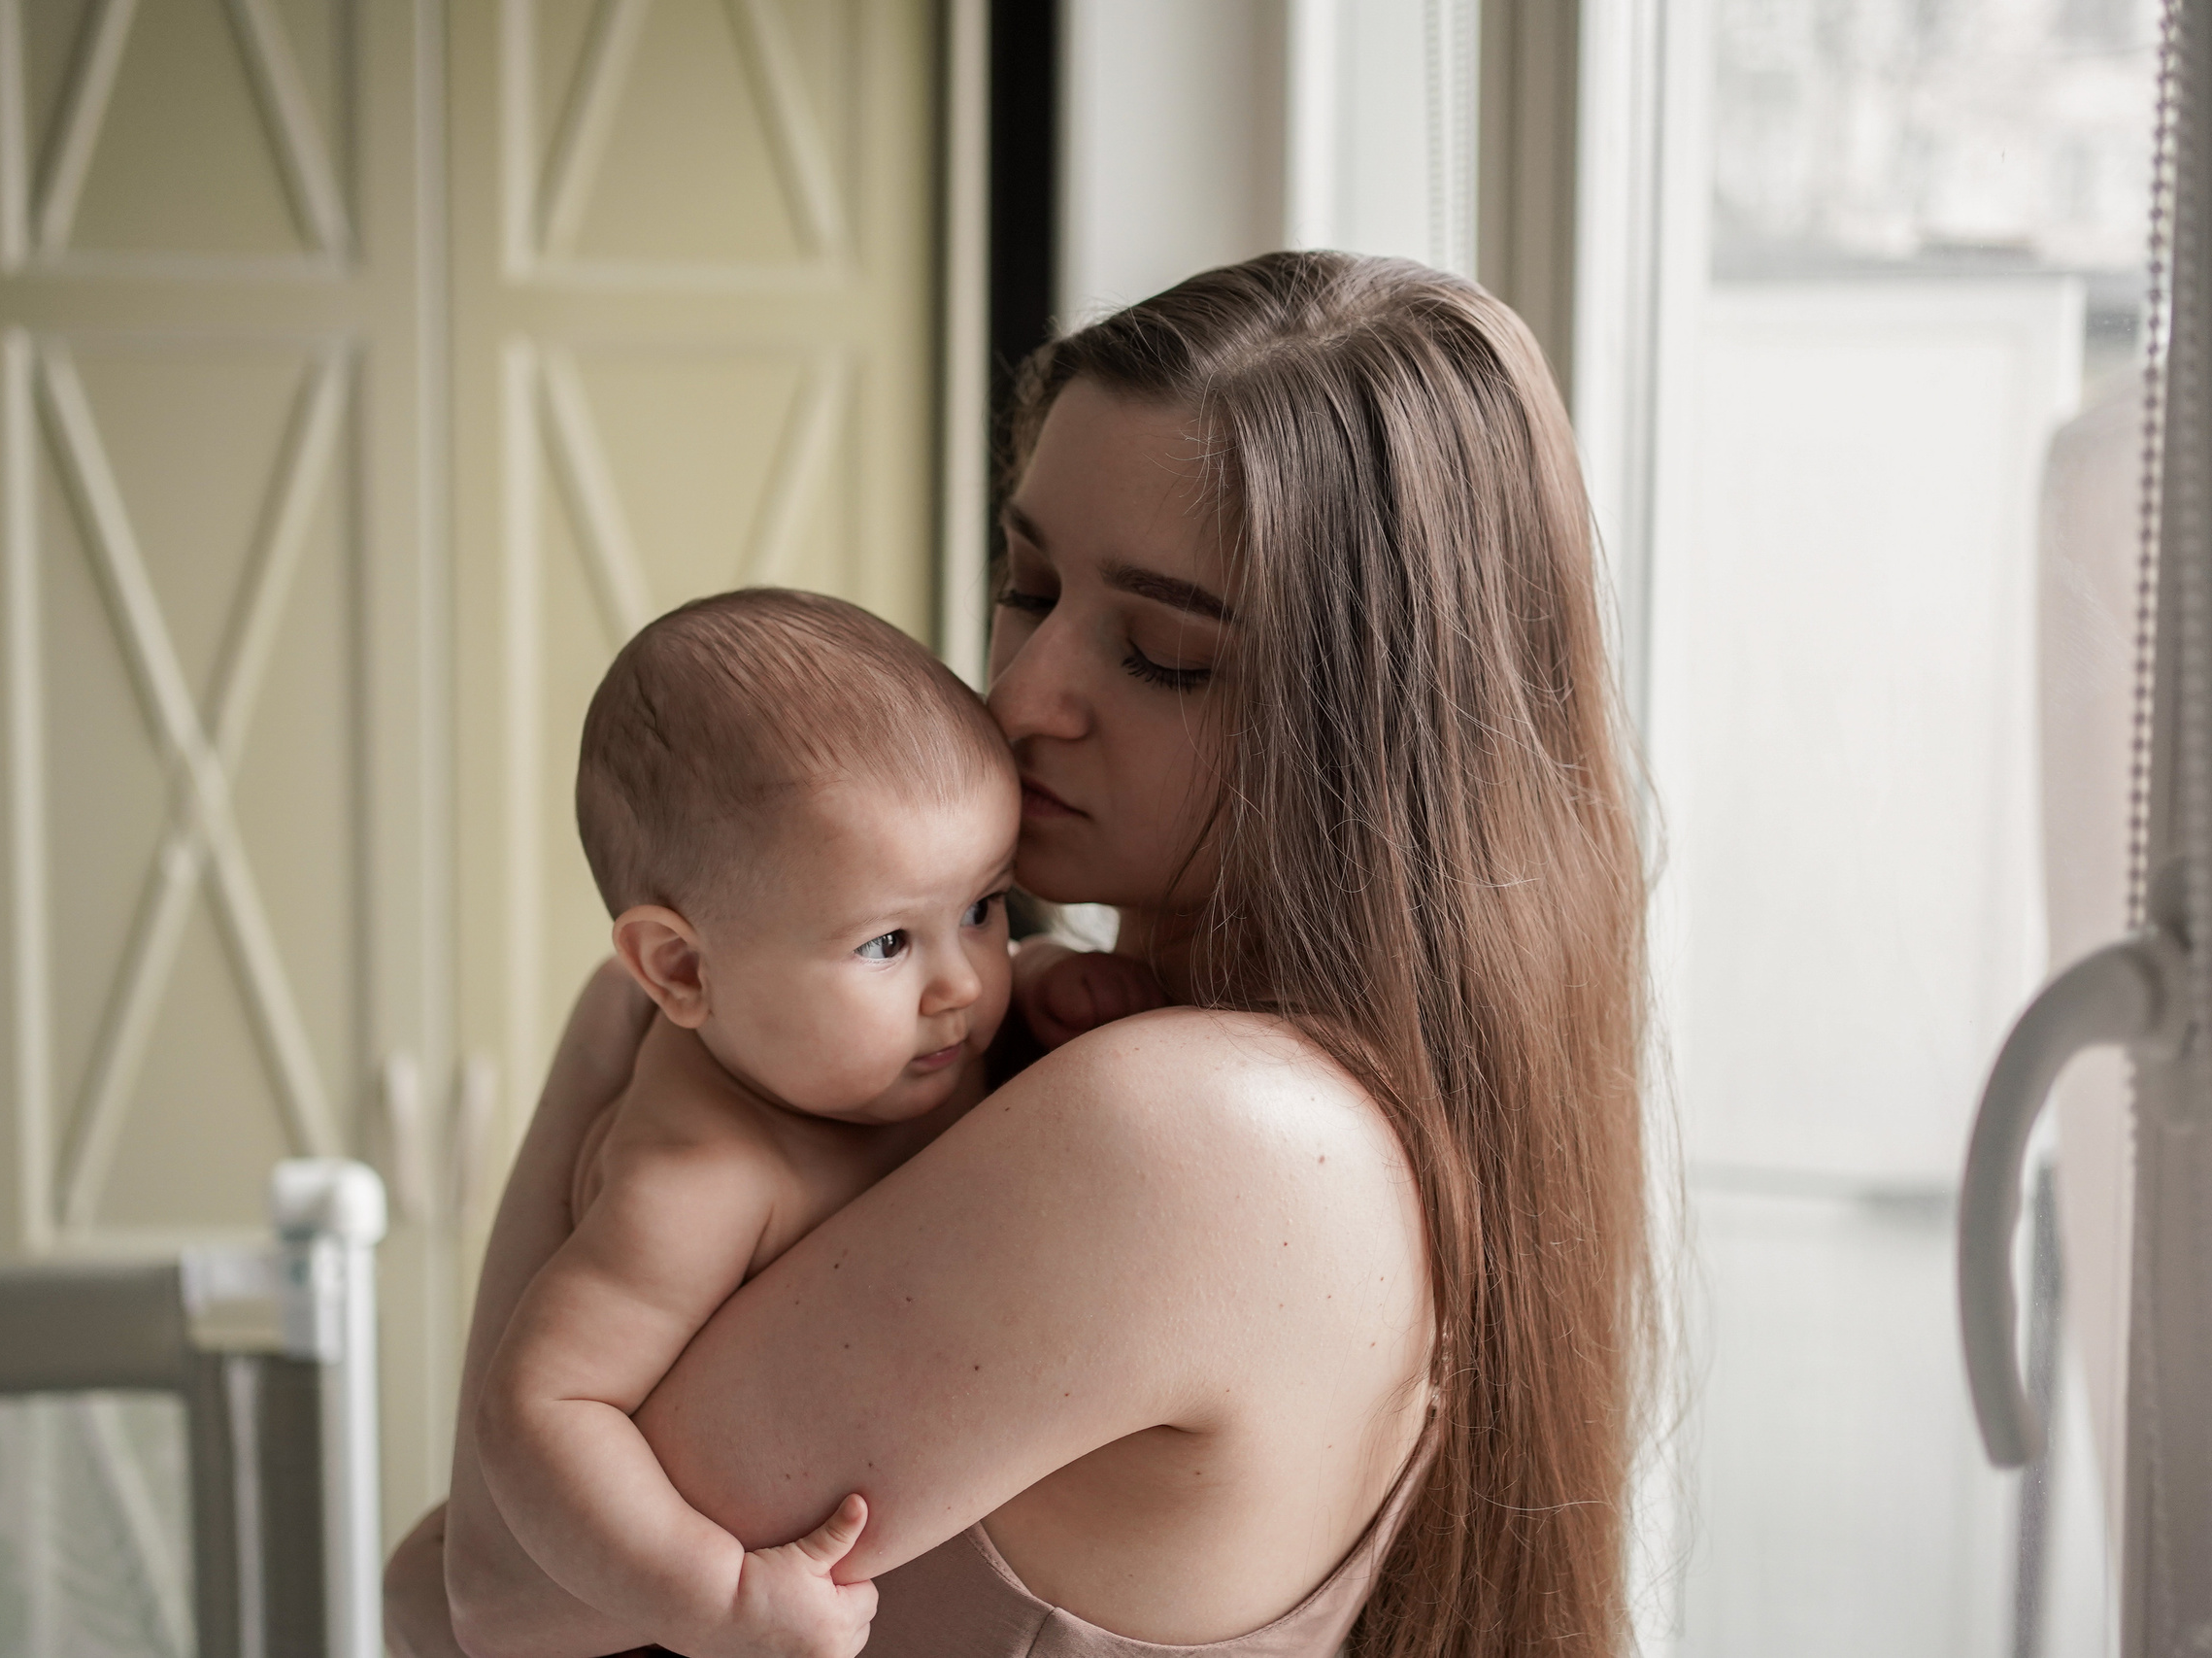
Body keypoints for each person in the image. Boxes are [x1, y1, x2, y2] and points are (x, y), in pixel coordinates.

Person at [388, 252, 1653, 1658]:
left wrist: (616, 1037)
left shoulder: (1197, 1131)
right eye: (1027, 581)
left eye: (1163, 651)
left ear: (1377, 735)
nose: (1025, 692)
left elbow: (475, 1594)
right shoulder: (1078, 1044)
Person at [474, 590, 1020, 1657]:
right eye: (885, 946)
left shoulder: (908, 1044)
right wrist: (715, 1597)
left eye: (984, 909)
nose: (961, 983)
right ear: (680, 969)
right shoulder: (699, 1179)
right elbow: (542, 1409)